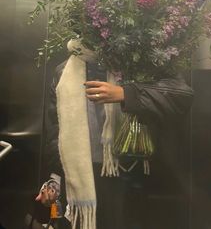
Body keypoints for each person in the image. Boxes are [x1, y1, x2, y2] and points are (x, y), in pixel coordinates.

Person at [36, 48, 193, 229]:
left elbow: (182, 96)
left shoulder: (139, 62)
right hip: (80, 179)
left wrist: (126, 94)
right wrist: (54, 180)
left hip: (130, 173)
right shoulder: (65, 71)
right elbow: (56, 131)